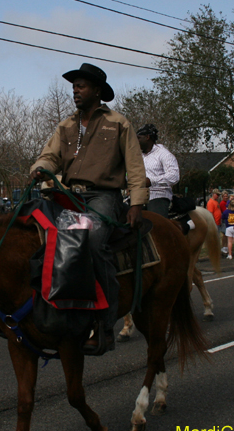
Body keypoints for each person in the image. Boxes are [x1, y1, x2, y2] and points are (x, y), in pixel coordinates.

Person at [30, 62, 146, 355]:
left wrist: (136, 203)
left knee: (92, 242)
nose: (75, 91)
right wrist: (42, 168)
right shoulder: (65, 125)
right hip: (67, 194)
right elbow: (49, 156)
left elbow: (135, 166)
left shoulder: (119, 123)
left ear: (97, 90)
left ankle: (105, 324)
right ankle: (50, 315)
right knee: (34, 233)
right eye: (74, 86)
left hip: (103, 196)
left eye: (81, 86)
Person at [135, 123, 179, 218]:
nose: (136, 141)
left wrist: (151, 181)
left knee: (155, 223)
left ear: (147, 137)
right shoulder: (138, 156)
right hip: (138, 196)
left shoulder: (164, 154)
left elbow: (174, 176)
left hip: (158, 195)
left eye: (138, 138)